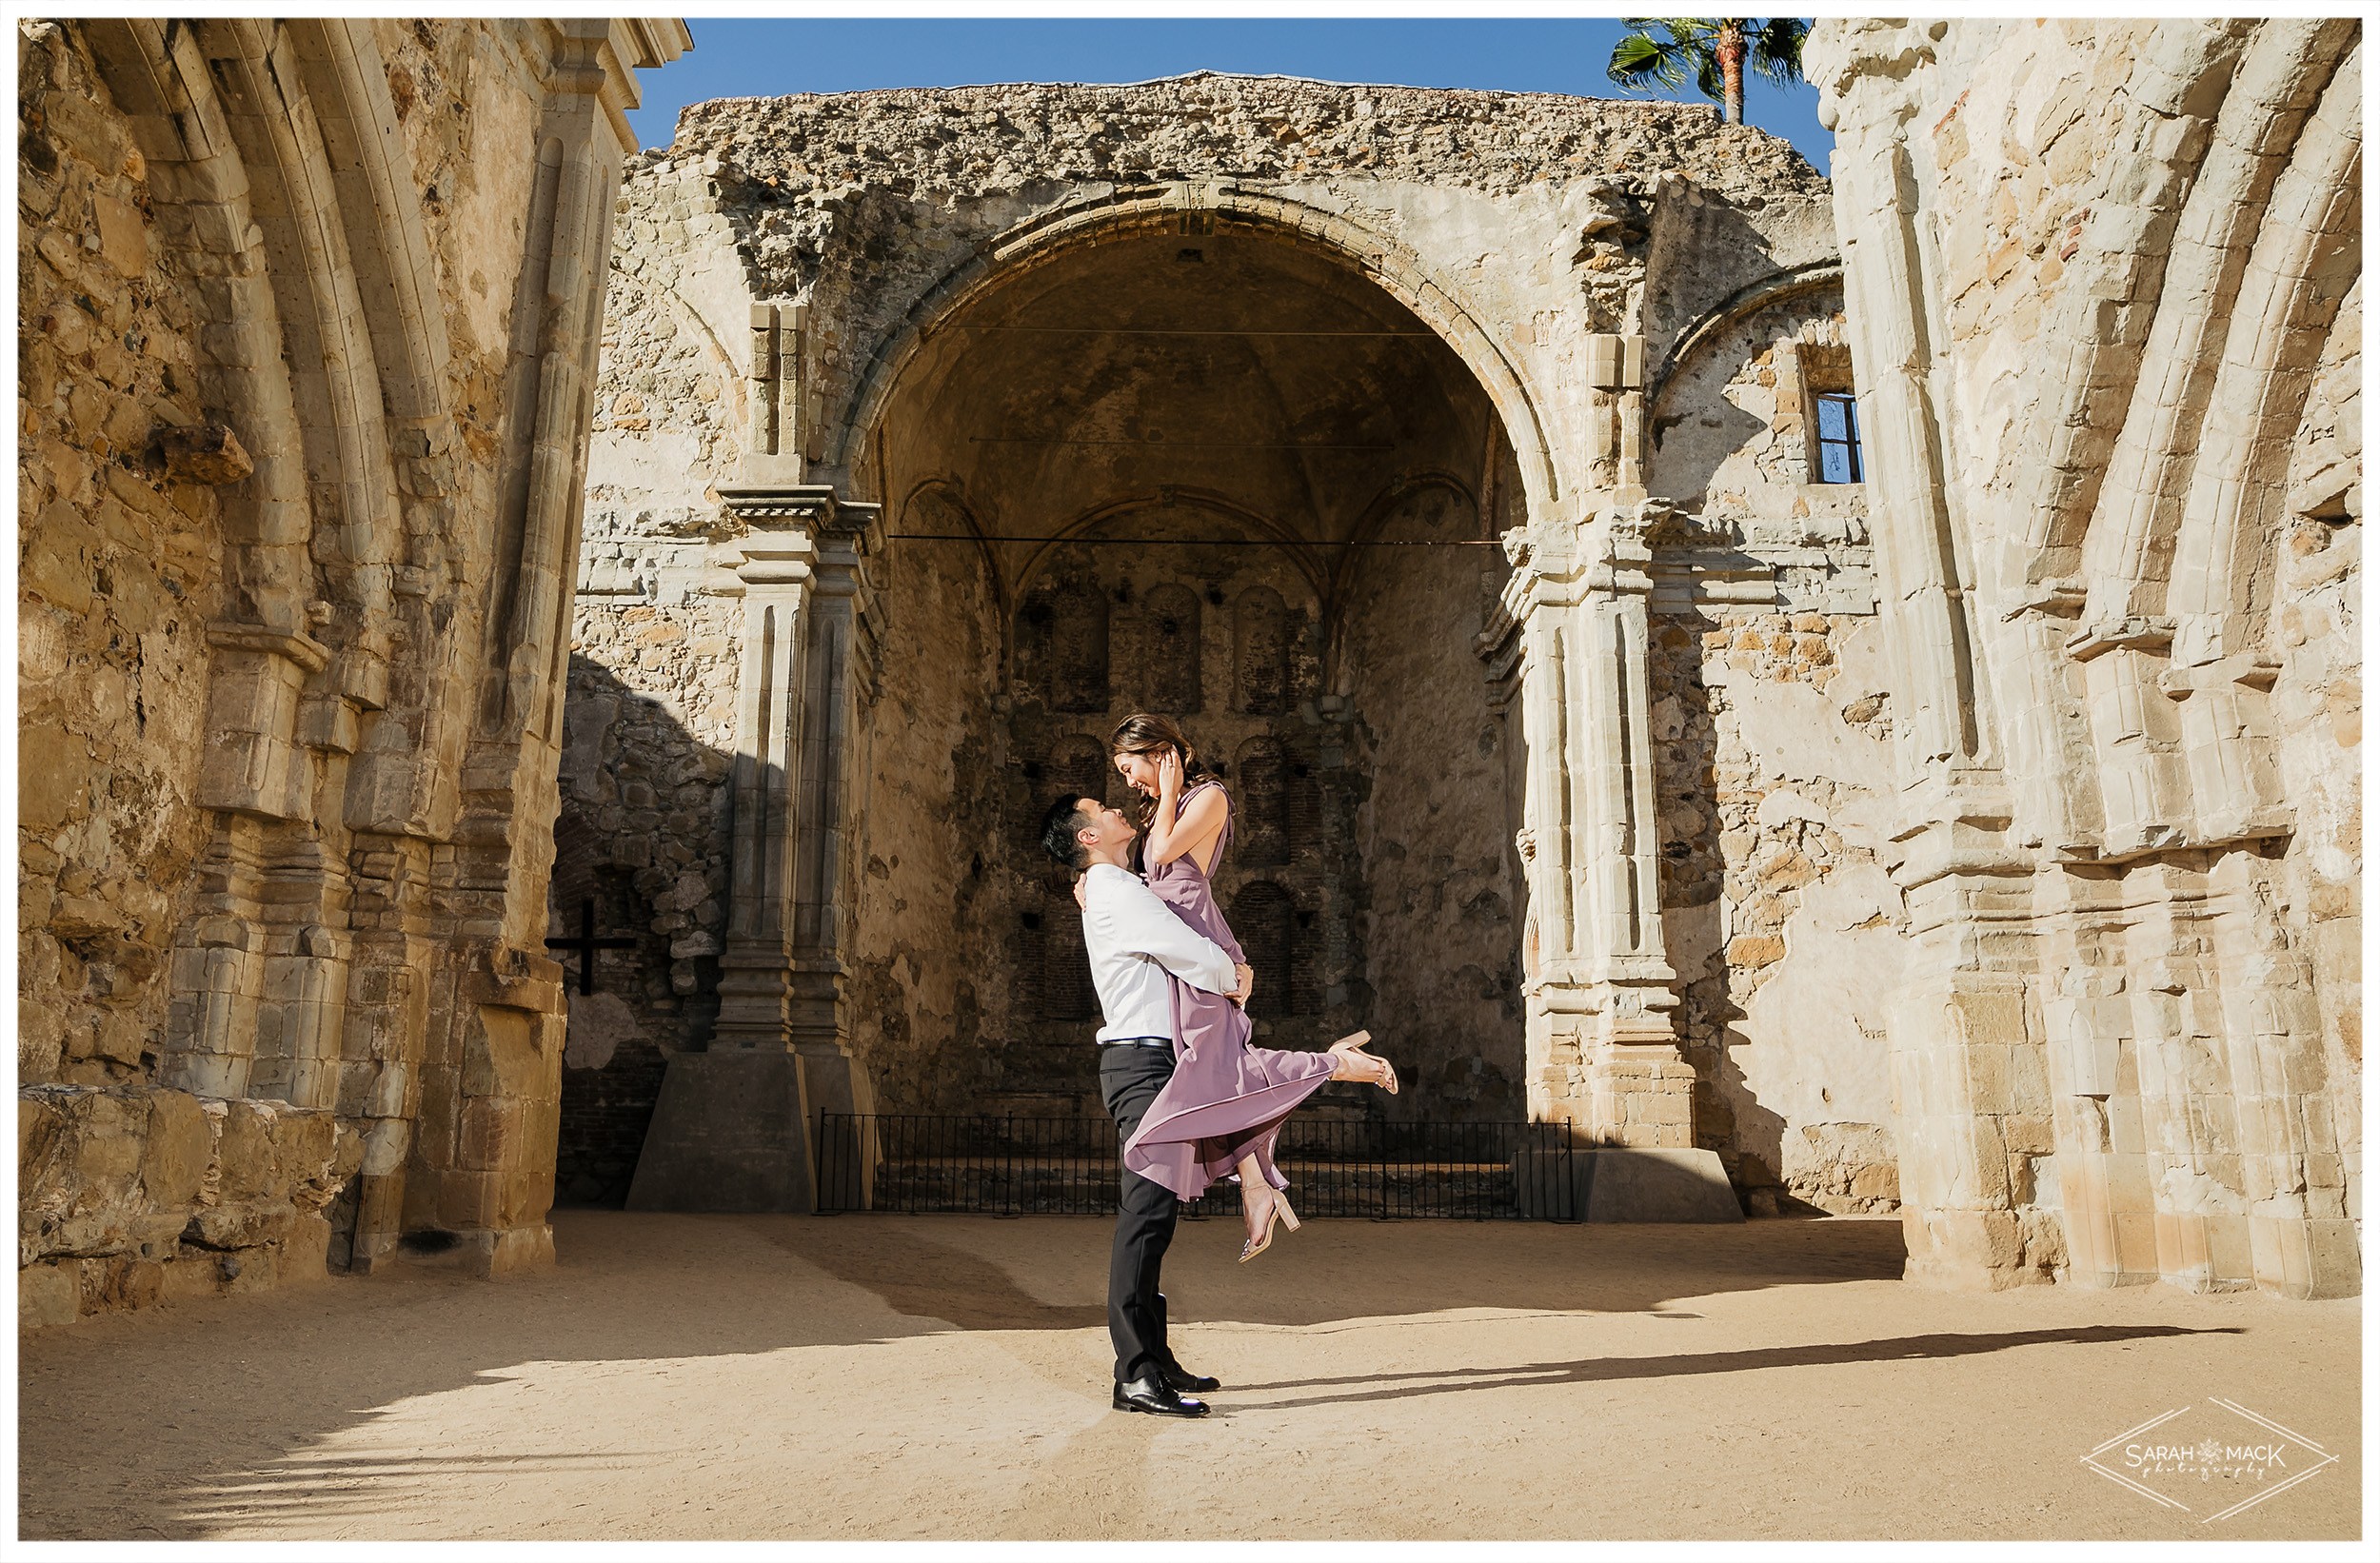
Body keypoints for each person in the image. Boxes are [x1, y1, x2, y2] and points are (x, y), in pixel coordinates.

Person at [1106, 713, 1397, 1263]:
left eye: (1131, 767)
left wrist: (1168, 791)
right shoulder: (1168, 805)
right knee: (1214, 1071)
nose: (1129, 782)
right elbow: (1154, 876)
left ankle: (1335, 1064)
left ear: (1160, 753)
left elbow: (1165, 854)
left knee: (1217, 1070)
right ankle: (1257, 1186)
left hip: (1198, 946)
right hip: (1179, 948)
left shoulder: (1209, 796)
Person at [1040, 790, 1245, 1418]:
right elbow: (1179, 945)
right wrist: (1232, 971)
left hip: (1152, 1062)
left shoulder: (1110, 886)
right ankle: (1134, 1373)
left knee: (1157, 1216)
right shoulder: (1111, 887)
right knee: (1145, 1215)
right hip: (1144, 1064)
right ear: (1087, 838)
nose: (1116, 809)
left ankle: (1152, 1356)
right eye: (1102, 808)